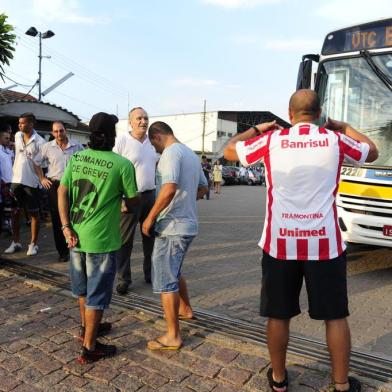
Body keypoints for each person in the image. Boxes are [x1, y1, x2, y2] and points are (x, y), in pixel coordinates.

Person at [223, 89, 378, 392]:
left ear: (290, 114)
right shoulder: (333, 139)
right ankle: (341, 384)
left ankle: (279, 380)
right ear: (319, 113)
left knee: (278, 314)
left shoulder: (271, 141)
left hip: (280, 244)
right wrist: (342, 126)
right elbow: (370, 151)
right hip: (325, 244)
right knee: (335, 316)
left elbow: (230, 150)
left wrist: (259, 128)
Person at [58, 112, 139, 364]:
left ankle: (86, 328)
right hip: (102, 241)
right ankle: (90, 347)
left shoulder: (77, 157)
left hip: (75, 237)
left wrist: (65, 227)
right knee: (97, 295)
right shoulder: (121, 164)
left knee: (82, 290)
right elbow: (134, 201)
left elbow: (62, 191)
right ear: (112, 135)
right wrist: (125, 202)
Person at [142, 121, 208, 350]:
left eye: (154, 144)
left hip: (172, 227)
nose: (155, 149)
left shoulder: (170, 153)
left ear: (158, 135)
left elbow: (168, 189)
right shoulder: (190, 154)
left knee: (165, 279)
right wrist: (187, 200)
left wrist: (150, 218)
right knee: (174, 271)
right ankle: (185, 310)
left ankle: (173, 335)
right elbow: (203, 187)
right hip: (188, 225)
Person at [113, 107, 157, 294]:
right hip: (129, 198)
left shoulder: (152, 142)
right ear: (130, 122)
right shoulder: (122, 140)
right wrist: (119, 198)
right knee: (125, 241)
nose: (143, 121)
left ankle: (150, 274)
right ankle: (124, 278)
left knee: (150, 238)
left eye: (145, 118)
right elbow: (114, 170)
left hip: (150, 196)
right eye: (139, 118)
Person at [34, 121, 83, 262]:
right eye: (55, 131)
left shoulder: (77, 146)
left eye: (61, 131)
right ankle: (63, 252)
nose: (58, 134)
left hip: (72, 185)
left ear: (65, 130)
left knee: (74, 216)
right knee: (57, 219)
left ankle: (75, 247)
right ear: (52, 133)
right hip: (54, 186)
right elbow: (36, 163)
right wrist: (42, 178)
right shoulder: (47, 147)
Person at [4, 113, 46, 256]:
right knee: (15, 213)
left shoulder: (40, 141)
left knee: (33, 213)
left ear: (31, 124)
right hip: (16, 180)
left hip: (31, 183)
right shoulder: (17, 135)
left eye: (22, 123)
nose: (19, 125)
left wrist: (42, 179)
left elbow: (40, 164)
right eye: (19, 122)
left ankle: (33, 244)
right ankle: (16, 242)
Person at [0, 126, 14, 234]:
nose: (9, 140)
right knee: (4, 206)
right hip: (3, 182)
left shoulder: (8, 151)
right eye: (6, 138)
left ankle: (8, 224)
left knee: (9, 206)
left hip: (10, 181)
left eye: (9, 138)